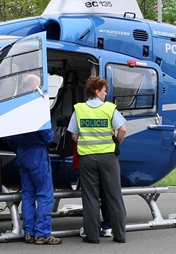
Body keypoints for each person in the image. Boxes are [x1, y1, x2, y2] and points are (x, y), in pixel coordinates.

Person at [68, 76, 127, 244]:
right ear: (96, 91)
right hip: (108, 158)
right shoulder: (109, 109)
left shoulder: (79, 109)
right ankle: (120, 236)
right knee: (114, 196)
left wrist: (85, 143)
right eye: (104, 91)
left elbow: (73, 135)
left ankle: (92, 236)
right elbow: (122, 130)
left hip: (87, 159)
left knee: (90, 198)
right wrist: (115, 144)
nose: (105, 94)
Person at [7, 73, 62, 245]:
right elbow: (46, 135)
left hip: (22, 153)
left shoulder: (15, 106)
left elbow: (9, 137)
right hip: (37, 154)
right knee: (45, 194)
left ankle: (29, 232)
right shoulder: (36, 105)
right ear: (33, 86)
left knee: (28, 194)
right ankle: (43, 233)